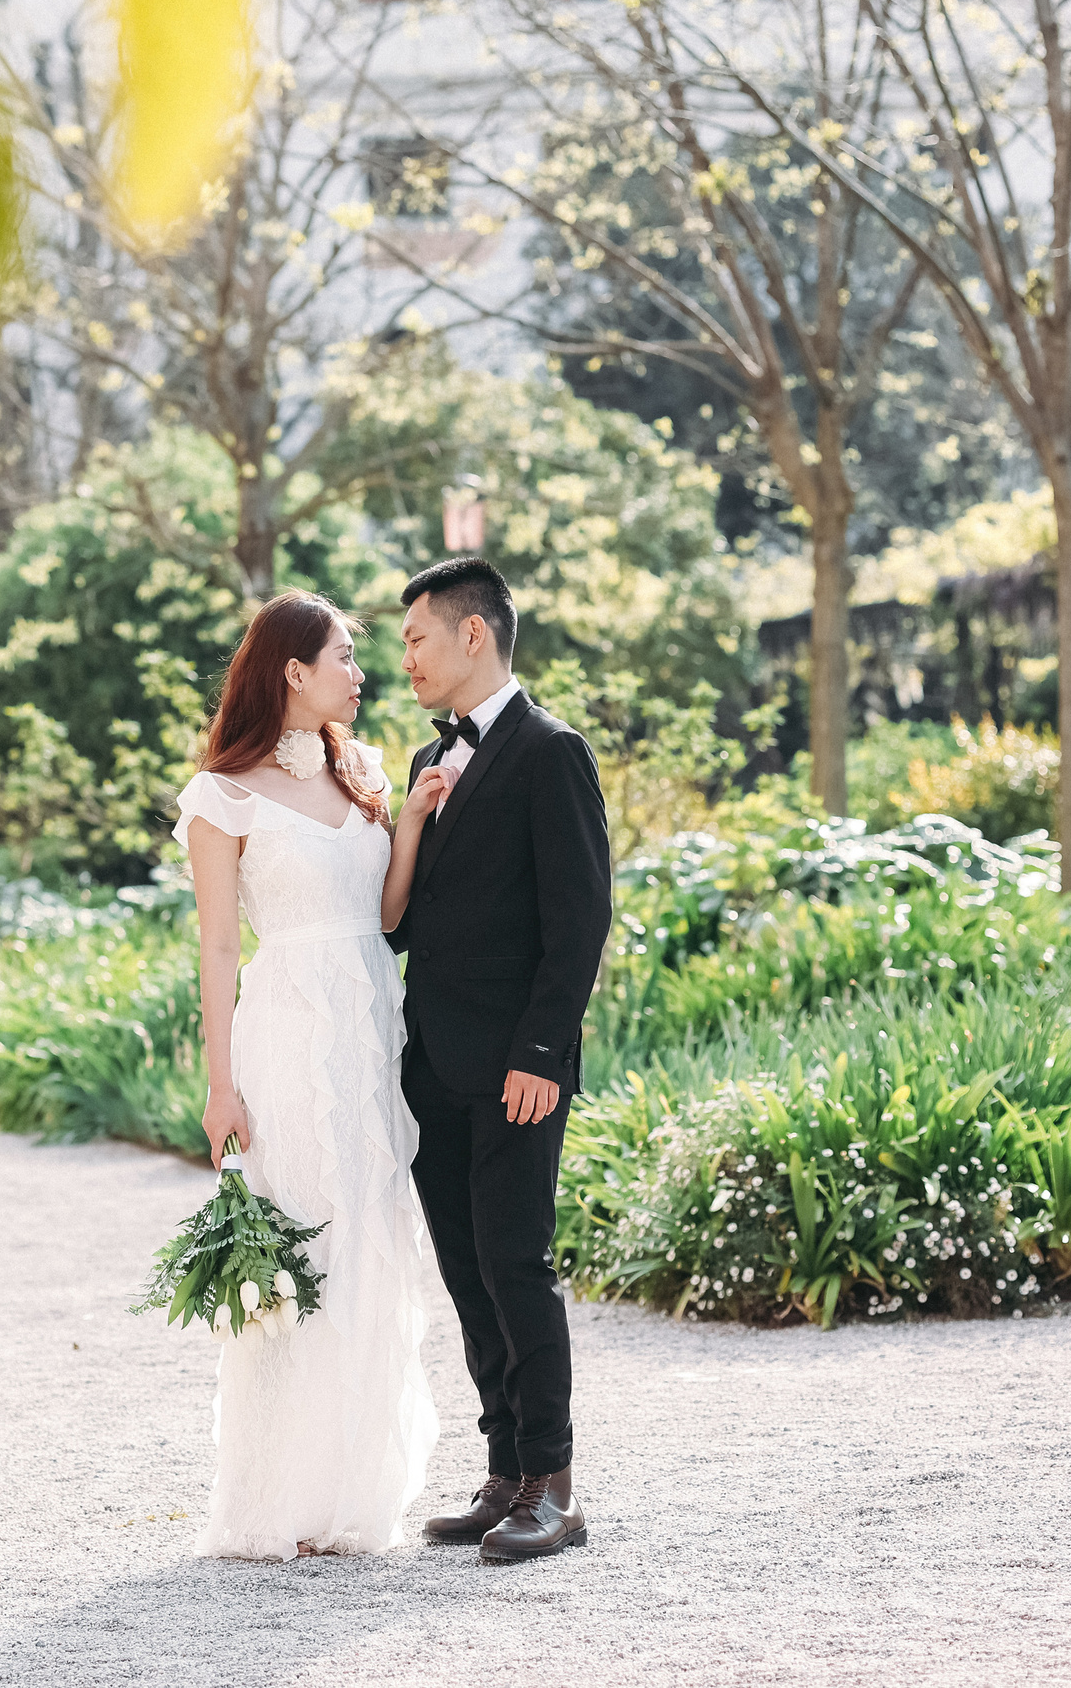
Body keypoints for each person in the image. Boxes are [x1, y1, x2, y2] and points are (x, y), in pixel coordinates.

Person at [174, 590, 443, 1560]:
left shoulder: (360, 772)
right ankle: (277, 1497)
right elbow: (214, 950)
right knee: (303, 1244)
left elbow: (381, 914)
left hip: (370, 1026)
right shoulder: (222, 796)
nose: (361, 671)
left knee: (369, 1241)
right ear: (293, 670)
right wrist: (220, 1087)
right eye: (344, 654)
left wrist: (406, 819)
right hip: (285, 1031)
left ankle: (353, 1491)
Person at [386, 556, 609, 1564]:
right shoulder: (433, 759)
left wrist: (540, 1052)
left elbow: (579, 921)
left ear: (472, 635)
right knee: (468, 1275)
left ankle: (555, 1485)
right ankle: (504, 1472)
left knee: (516, 1266)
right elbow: (411, 924)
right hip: (434, 1067)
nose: (407, 660)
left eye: (417, 638)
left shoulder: (551, 751)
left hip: (516, 1069)